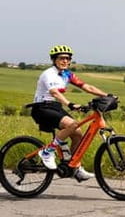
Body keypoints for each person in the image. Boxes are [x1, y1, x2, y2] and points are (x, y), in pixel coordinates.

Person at [30, 45, 110, 181]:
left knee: (78, 133)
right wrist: (70, 104)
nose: (65, 61)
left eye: (67, 58)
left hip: (55, 107)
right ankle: (47, 151)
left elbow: (86, 87)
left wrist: (107, 95)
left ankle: (75, 167)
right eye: (61, 58)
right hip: (42, 108)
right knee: (72, 125)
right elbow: (54, 92)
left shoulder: (67, 74)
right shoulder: (49, 74)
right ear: (54, 60)